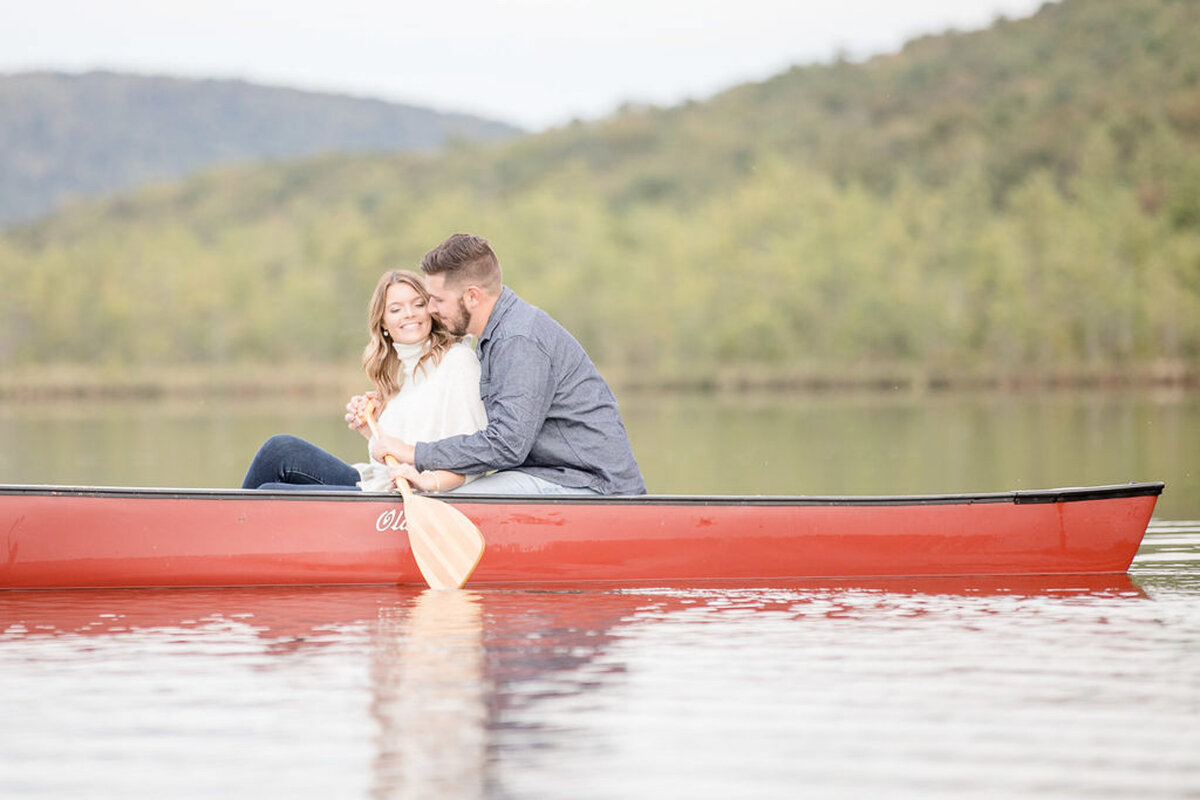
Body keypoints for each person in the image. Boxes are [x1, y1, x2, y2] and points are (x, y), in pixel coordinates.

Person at [369, 233, 646, 495]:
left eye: (438, 299)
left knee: (449, 503)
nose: (429, 309)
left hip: (589, 484)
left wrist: (414, 453)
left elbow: (506, 444)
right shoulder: (499, 335)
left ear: (473, 296)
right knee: (448, 496)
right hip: (549, 474)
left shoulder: (519, 339)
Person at [241, 269, 486, 492]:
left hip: (410, 497)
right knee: (280, 449)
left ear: (431, 310)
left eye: (418, 304)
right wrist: (372, 430)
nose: (409, 314)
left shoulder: (458, 361)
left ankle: (232, 534)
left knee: (270, 494)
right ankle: (227, 533)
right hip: (377, 484)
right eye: (396, 309)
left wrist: (426, 482)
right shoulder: (400, 372)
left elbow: (473, 458)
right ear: (383, 322)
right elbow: (395, 451)